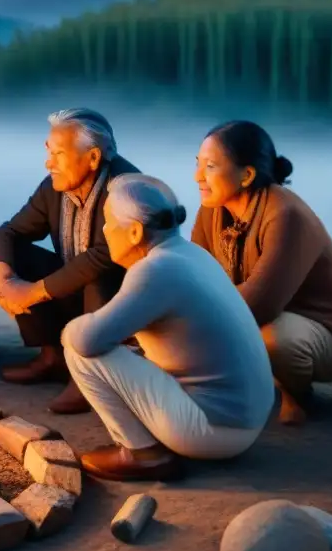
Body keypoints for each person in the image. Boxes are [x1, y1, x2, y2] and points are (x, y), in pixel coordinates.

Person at [64, 174, 274, 481]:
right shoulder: (190, 254)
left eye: (108, 221)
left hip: (214, 431)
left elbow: (86, 341)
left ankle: (142, 454)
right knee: (124, 345)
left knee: (80, 351)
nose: (104, 230)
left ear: (134, 231)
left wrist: (76, 327)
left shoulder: (155, 270)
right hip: (248, 418)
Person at [191, 120, 332, 426]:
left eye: (210, 166)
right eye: (197, 165)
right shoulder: (213, 208)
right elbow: (194, 276)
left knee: (273, 339)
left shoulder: (285, 215)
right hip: (263, 317)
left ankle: (296, 393)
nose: (197, 177)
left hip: (325, 334)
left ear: (246, 175)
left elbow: (259, 305)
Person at [0, 108, 139, 413]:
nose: (48, 162)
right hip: (79, 296)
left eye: (59, 153)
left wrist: (32, 292)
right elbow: (8, 233)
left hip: (126, 308)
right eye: (49, 152)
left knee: (98, 272)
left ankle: (90, 375)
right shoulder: (54, 188)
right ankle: (53, 356)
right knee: (13, 256)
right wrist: (7, 283)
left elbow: (102, 256)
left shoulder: (128, 190)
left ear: (93, 158)